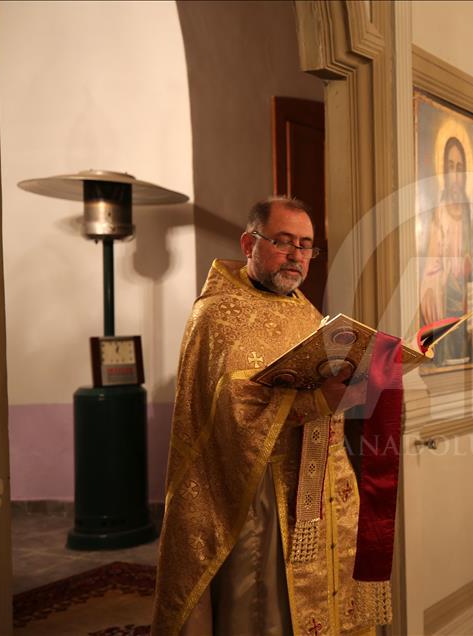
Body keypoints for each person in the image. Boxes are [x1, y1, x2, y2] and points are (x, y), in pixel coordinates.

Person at [151, 197, 392, 636]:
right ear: (249, 242)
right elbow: (227, 407)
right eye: (283, 242)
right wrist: (316, 401)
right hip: (259, 491)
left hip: (320, 485)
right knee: (268, 608)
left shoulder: (305, 309)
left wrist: (356, 380)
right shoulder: (216, 314)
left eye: (305, 246)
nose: (296, 255)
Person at [418, 136, 473, 366]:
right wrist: (447, 274)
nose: (455, 176)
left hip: (467, 301)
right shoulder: (438, 214)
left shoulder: (470, 219)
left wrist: (471, 268)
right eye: (450, 167)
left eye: (459, 168)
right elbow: (429, 266)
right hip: (445, 297)